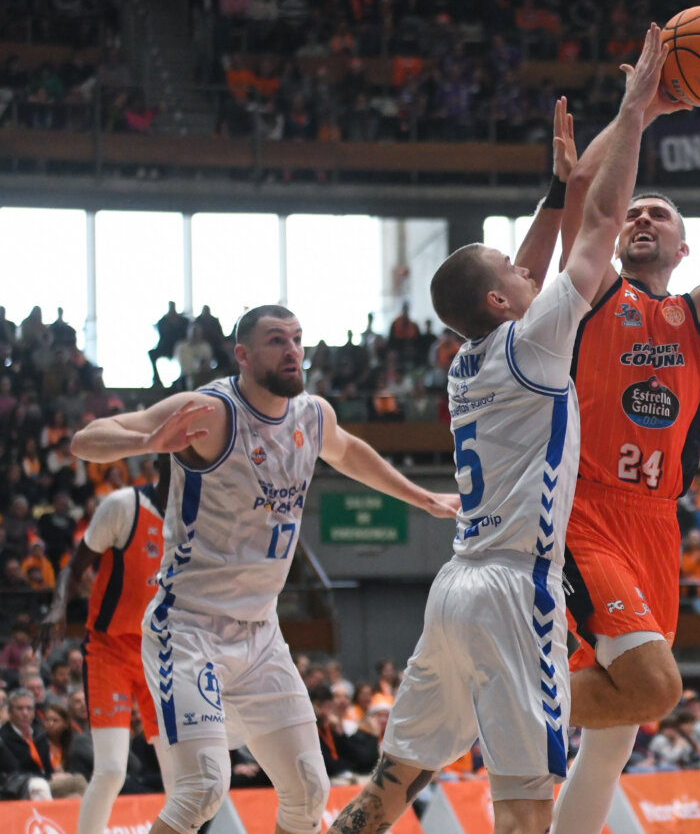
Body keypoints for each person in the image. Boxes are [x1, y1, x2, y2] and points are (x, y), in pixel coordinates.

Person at [323, 39, 661, 834]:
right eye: (512, 271)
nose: (526, 269)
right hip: (516, 588)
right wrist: (636, 112)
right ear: (507, 302)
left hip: (453, 590)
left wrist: (555, 188)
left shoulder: (467, 361)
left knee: (390, 783)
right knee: (522, 809)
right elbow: (604, 221)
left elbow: (529, 265)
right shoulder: (537, 339)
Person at [70, 304, 459, 834]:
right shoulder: (210, 410)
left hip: (261, 633)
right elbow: (86, 438)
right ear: (244, 356)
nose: (293, 350)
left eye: (298, 339)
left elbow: (349, 452)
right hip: (188, 628)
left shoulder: (314, 416)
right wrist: (145, 443)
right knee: (202, 788)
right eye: (278, 340)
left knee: (308, 788)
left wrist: (423, 498)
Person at [551, 33, 700, 834]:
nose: (643, 216)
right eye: (637, 211)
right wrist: (636, 113)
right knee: (654, 684)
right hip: (585, 510)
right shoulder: (594, 291)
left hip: (657, 526)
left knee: (612, 741)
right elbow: (589, 193)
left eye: (662, 215)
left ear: (684, 248)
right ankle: (502, 695)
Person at [39, 457, 174, 834]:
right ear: (162, 461)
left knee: (182, 776)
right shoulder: (123, 506)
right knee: (112, 770)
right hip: (109, 648)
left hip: (161, 652)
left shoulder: (195, 515)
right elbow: (73, 566)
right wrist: (56, 607)